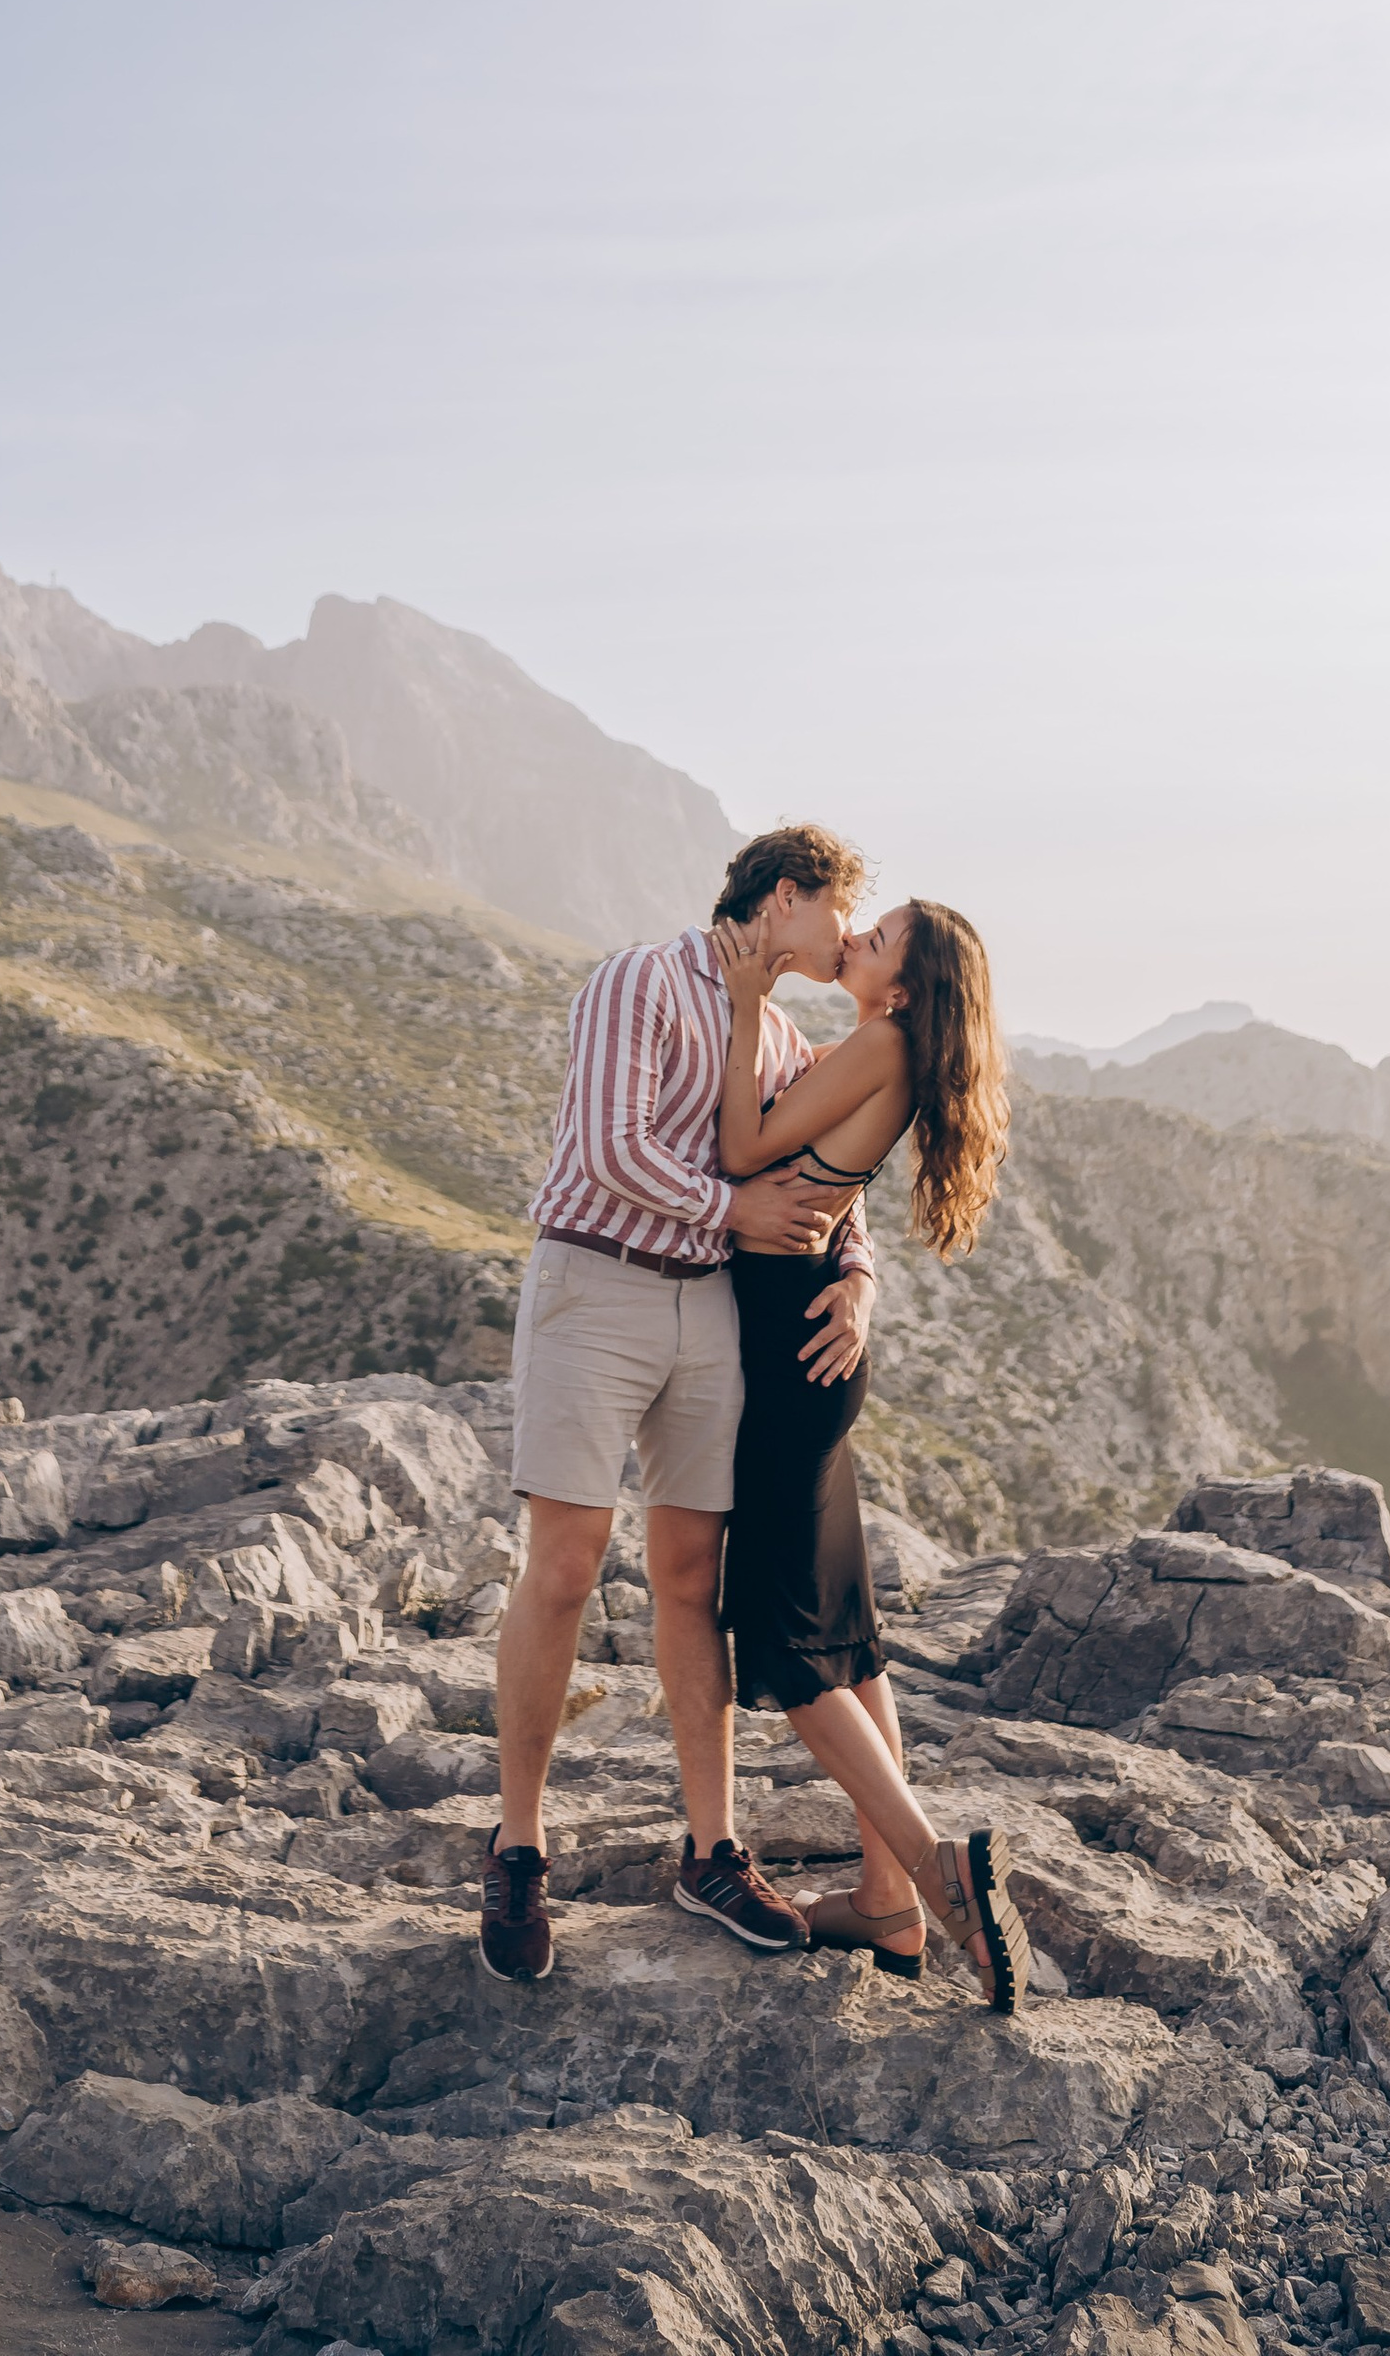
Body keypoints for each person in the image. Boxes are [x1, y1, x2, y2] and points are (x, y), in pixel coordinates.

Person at [480, 823, 877, 1986]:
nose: (848, 937)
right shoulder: (638, 980)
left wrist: (858, 1278)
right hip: (594, 1283)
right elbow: (604, 1149)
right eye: (841, 913)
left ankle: (711, 1850)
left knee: (691, 1578)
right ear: (788, 897)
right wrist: (730, 1213)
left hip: (711, 1313)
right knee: (563, 1562)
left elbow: (834, 1186)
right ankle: (516, 1848)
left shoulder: (794, 1041)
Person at [711, 892, 1031, 2011]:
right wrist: (857, 1273)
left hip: (785, 1353)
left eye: (878, 936)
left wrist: (749, 1003)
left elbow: (742, 1145)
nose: (856, 939)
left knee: (791, 1652)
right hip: (817, 1337)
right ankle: (886, 1906)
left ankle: (937, 1874)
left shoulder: (877, 1039)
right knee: (849, 1638)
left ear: (901, 986)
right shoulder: (893, 1043)